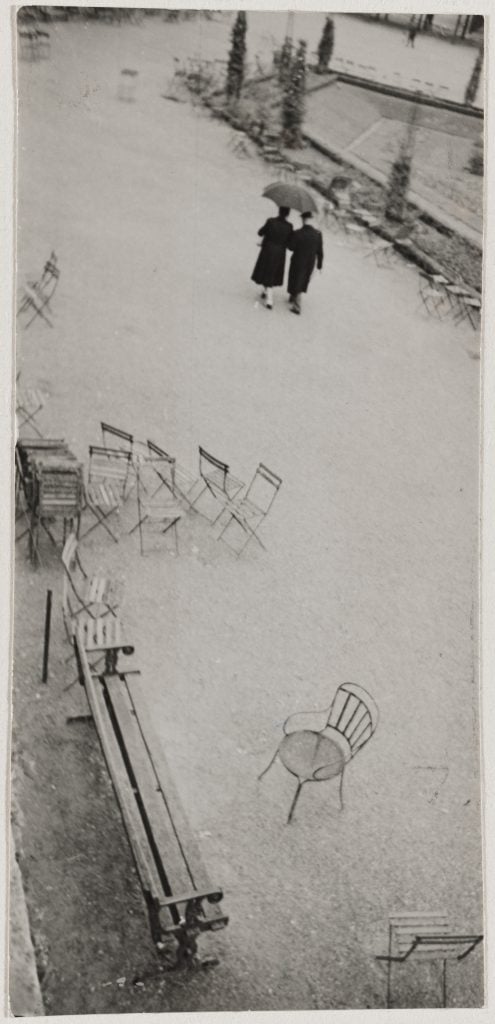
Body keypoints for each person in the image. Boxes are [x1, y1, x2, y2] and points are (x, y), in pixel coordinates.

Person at [251, 207, 293, 310]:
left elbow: (260, 232)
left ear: (279, 211)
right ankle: (266, 292)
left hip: (267, 250)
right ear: (288, 214)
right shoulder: (289, 226)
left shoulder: (271, 221)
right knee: (272, 272)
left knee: (266, 271)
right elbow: (289, 242)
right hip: (280, 253)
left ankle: (269, 300)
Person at [287, 212, 323, 316]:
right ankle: (293, 297)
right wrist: (319, 265)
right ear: (311, 219)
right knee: (302, 280)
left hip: (298, 260)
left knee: (295, 278)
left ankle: (297, 306)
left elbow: (291, 247)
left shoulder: (298, 233)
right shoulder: (318, 234)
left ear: (302, 220)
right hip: (310, 262)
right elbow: (320, 251)